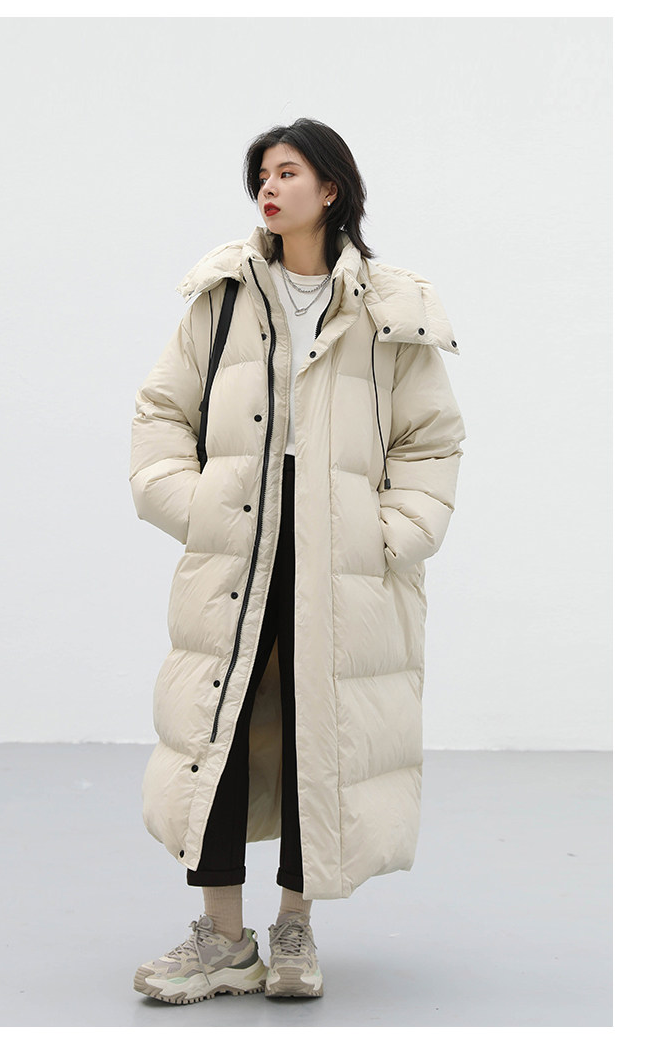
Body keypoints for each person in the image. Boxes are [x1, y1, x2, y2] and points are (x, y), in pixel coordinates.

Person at [129, 118, 466, 1004]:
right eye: (261, 177)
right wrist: (194, 508)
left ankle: (293, 929)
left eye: (286, 173)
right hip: (237, 551)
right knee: (220, 728)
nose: (268, 190)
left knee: (321, 733)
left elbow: (431, 440)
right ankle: (222, 938)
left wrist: (393, 534)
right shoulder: (224, 296)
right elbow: (161, 414)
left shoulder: (390, 305)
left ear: (331, 188)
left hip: (338, 562)